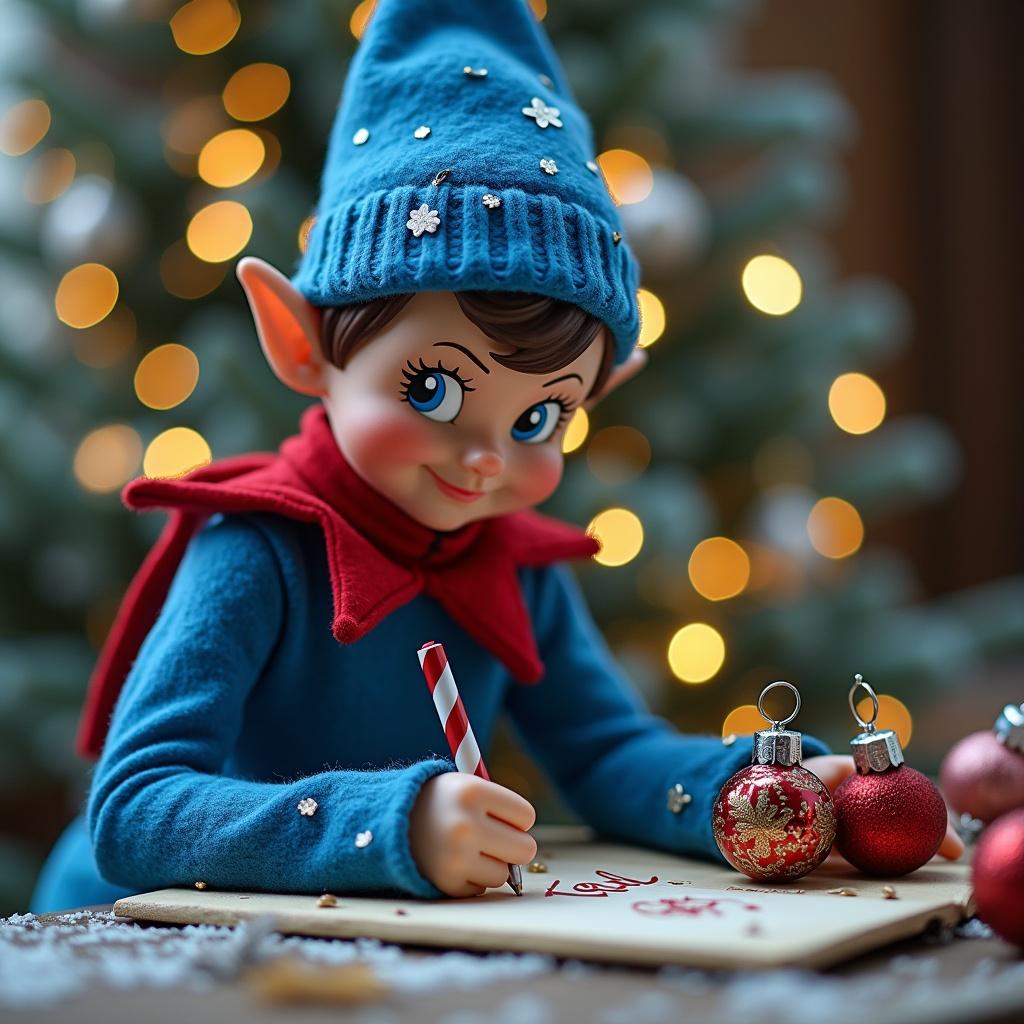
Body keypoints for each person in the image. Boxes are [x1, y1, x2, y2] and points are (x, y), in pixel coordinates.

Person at [32, 0, 960, 912]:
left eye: (540, 420)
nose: (484, 460)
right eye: (431, 388)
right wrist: (387, 824)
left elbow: (604, 754)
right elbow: (134, 810)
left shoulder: (511, 569)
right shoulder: (253, 551)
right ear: (301, 341)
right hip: (142, 940)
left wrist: (755, 799)